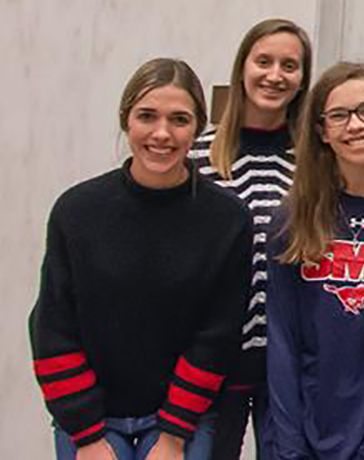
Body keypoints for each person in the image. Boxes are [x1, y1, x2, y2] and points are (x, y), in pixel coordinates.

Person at [30, 58, 252, 460]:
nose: (162, 133)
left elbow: (217, 336)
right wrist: (87, 436)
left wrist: (172, 437)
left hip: (181, 418)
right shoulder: (77, 211)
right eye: (147, 116)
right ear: (126, 121)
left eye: (179, 119)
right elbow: (53, 326)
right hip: (91, 416)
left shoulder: (227, 220)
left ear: (198, 128)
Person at [266, 63, 364, 459]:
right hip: (304, 431)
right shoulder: (292, 218)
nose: (356, 126)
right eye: (339, 116)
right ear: (321, 131)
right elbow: (282, 341)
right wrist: (290, 446)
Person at [188, 18, 313, 460]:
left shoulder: (315, 164)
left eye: (289, 66)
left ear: (303, 80)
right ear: (243, 67)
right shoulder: (198, 155)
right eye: (264, 61)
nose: (275, 75)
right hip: (213, 362)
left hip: (286, 365)